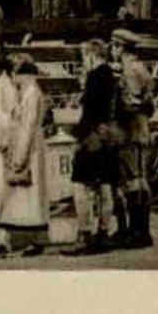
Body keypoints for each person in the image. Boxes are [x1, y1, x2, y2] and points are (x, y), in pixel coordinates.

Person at [0, 55, 48, 258]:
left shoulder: (31, 94)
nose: (14, 79)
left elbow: (26, 127)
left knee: (19, 197)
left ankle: (11, 241)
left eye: (17, 75)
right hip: (26, 149)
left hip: (27, 151)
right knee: (23, 199)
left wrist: (19, 157)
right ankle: (20, 240)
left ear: (24, 75)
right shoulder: (29, 93)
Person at [63, 39, 120, 256]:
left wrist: (79, 138)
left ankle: (85, 233)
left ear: (91, 55)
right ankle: (103, 232)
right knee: (105, 186)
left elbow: (89, 112)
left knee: (80, 186)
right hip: (107, 135)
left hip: (92, 136)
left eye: (84, 56)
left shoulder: (95, 76)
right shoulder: (110, 75)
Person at [112, 29, 156, 248]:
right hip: (142, 129)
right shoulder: (143, 69)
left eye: (114, 46)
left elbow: (129, 103)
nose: (112, 50)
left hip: (128, 131)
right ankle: (143, 231)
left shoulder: (128, 71)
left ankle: (136, 232)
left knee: (131, 181)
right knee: (141, 179)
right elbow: (150, 105)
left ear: (120, 47)